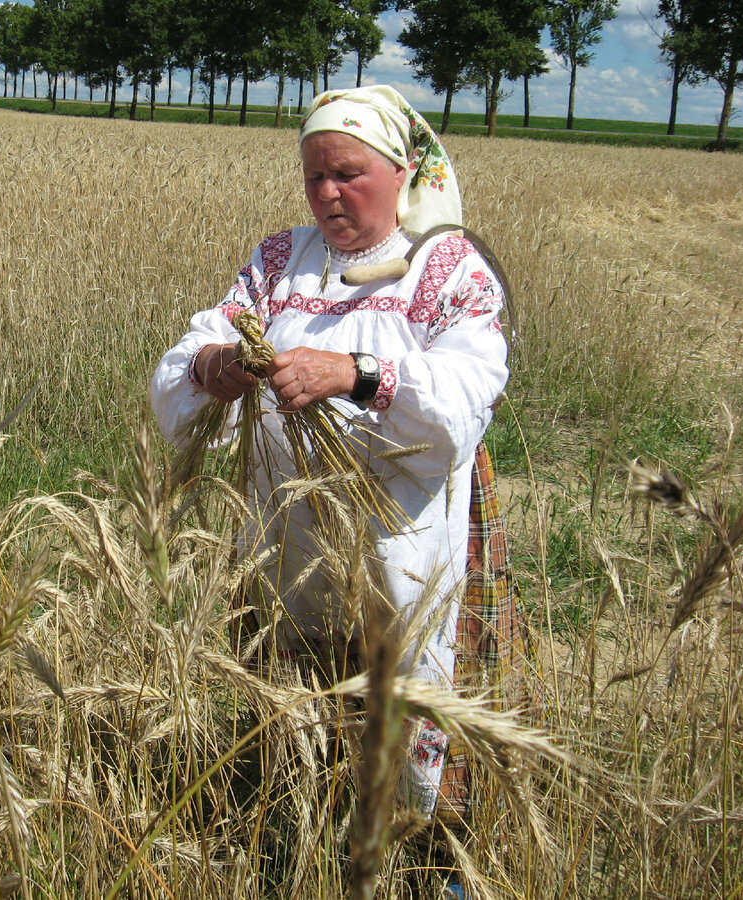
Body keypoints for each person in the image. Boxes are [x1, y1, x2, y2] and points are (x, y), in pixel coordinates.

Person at [150, 85, 512, 819]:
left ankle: (424, 855)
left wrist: (354, 373)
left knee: (405, 696)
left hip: (401, 534)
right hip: (289, 530)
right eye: (314, 175)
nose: (327, 193)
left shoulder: (446, 266)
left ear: (403, 170)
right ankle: (304, 832)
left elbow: (472, 388)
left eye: (348, 173)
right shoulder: (283, 258)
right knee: (302, 705)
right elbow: (187, 355)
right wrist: (215, 367)